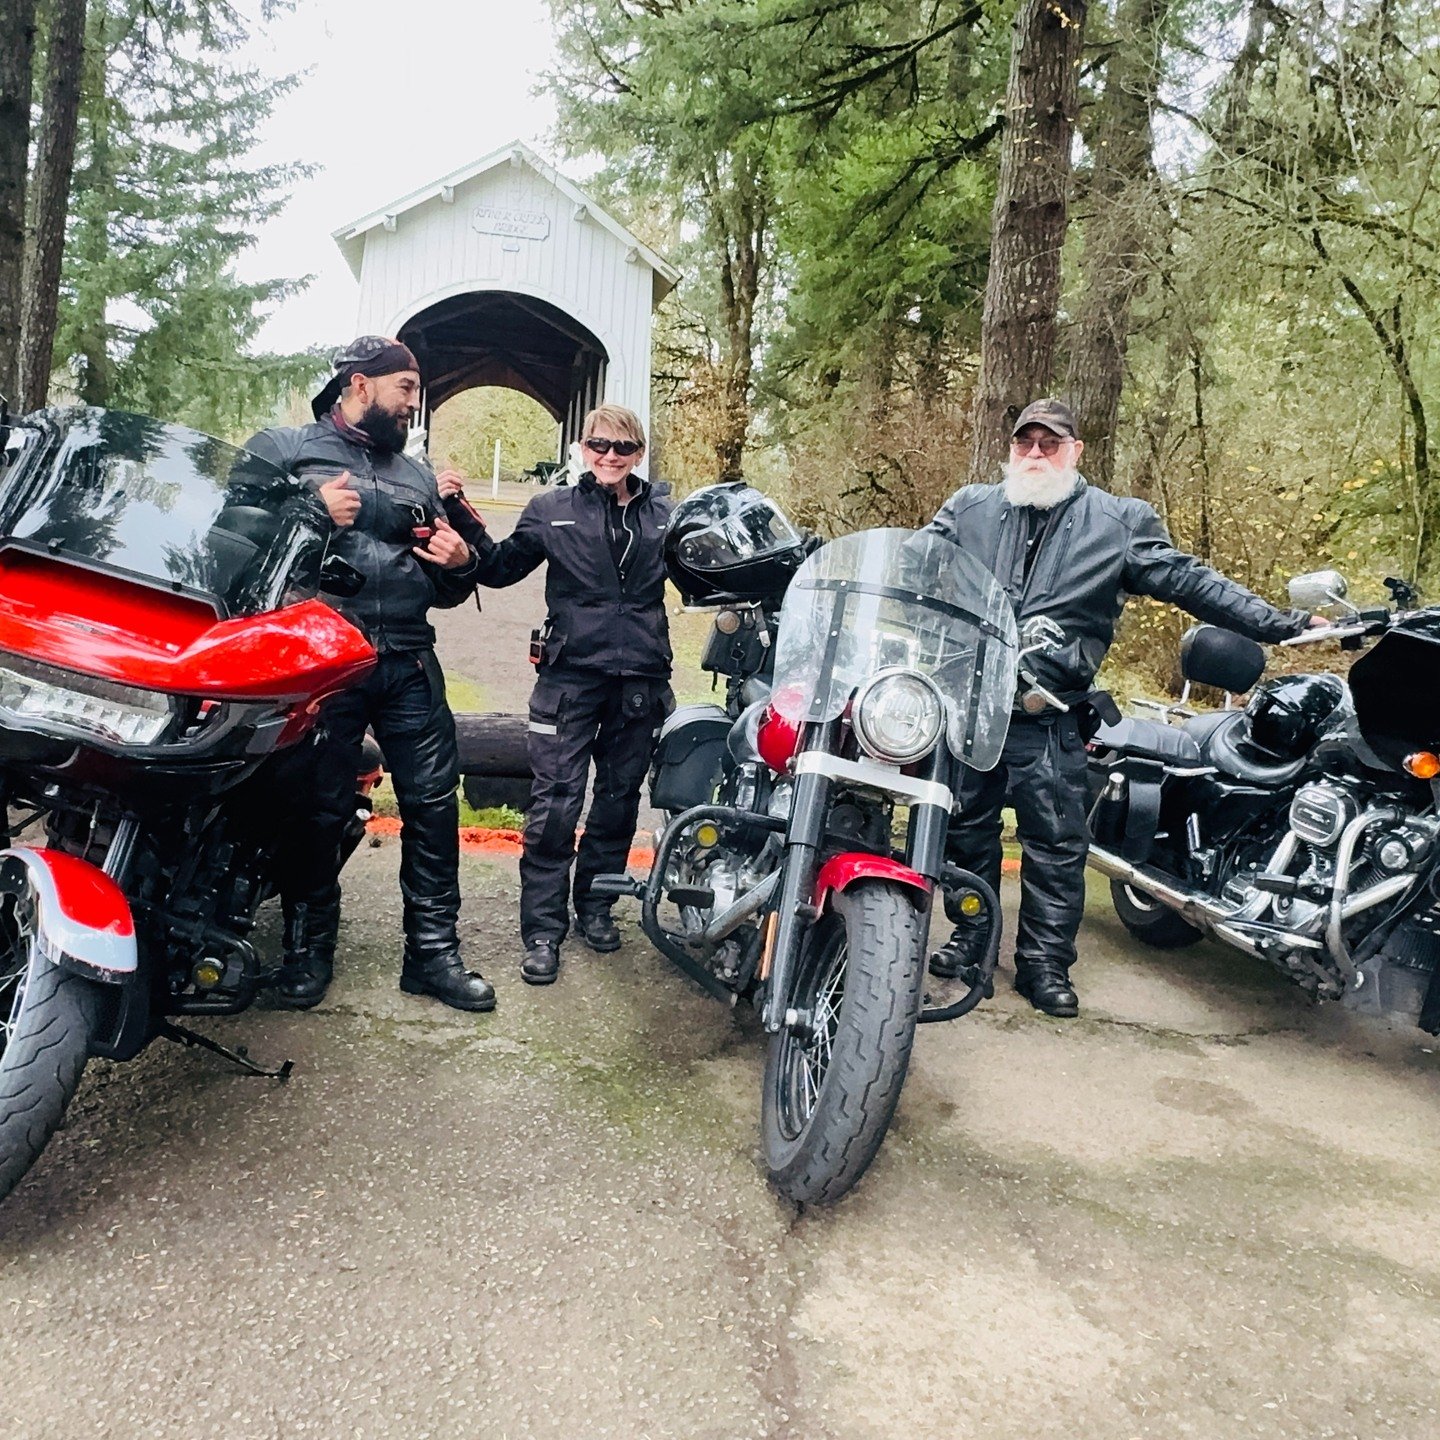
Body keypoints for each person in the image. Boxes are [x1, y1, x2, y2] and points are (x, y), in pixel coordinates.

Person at [924, 398, 1325, 1018]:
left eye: (1049, 443)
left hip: (1051, 714)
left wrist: (1283, 624)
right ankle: (972, 940)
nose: (1035, 454)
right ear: (1010, 448)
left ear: (1075, 451)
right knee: (962, 830)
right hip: (970, 708)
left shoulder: (1118, 522)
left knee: (1056, 844)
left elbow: (1192, 581)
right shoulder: (969, 509)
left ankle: (1045, 964)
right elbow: (912, 565)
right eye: (1024, 442)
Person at [244, 336, 495, 1013]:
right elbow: (232, 540)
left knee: (435, 809)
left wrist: (459, 560)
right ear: (361, 385)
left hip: (410, 660)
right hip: (328, 660)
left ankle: (433, 958)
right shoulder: (287, 451)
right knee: (315, 811)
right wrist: (308, 514)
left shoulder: (416, 476)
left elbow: (446, 585)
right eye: (407, 389)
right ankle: (306, 954)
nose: (416, 403)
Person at [438, 405, 672, 986]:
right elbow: (497, 568)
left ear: (639, 453)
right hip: (569, 679)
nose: (610, 456)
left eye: (622, 447)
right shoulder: (552, 509)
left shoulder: (666, 514)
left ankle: (595, 908)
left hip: (640, 682)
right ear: (582, 447)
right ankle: (542, 932)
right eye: (599, 445)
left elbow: (706, 574)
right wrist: (457, 514)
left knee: (618, 802)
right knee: (555, 807)